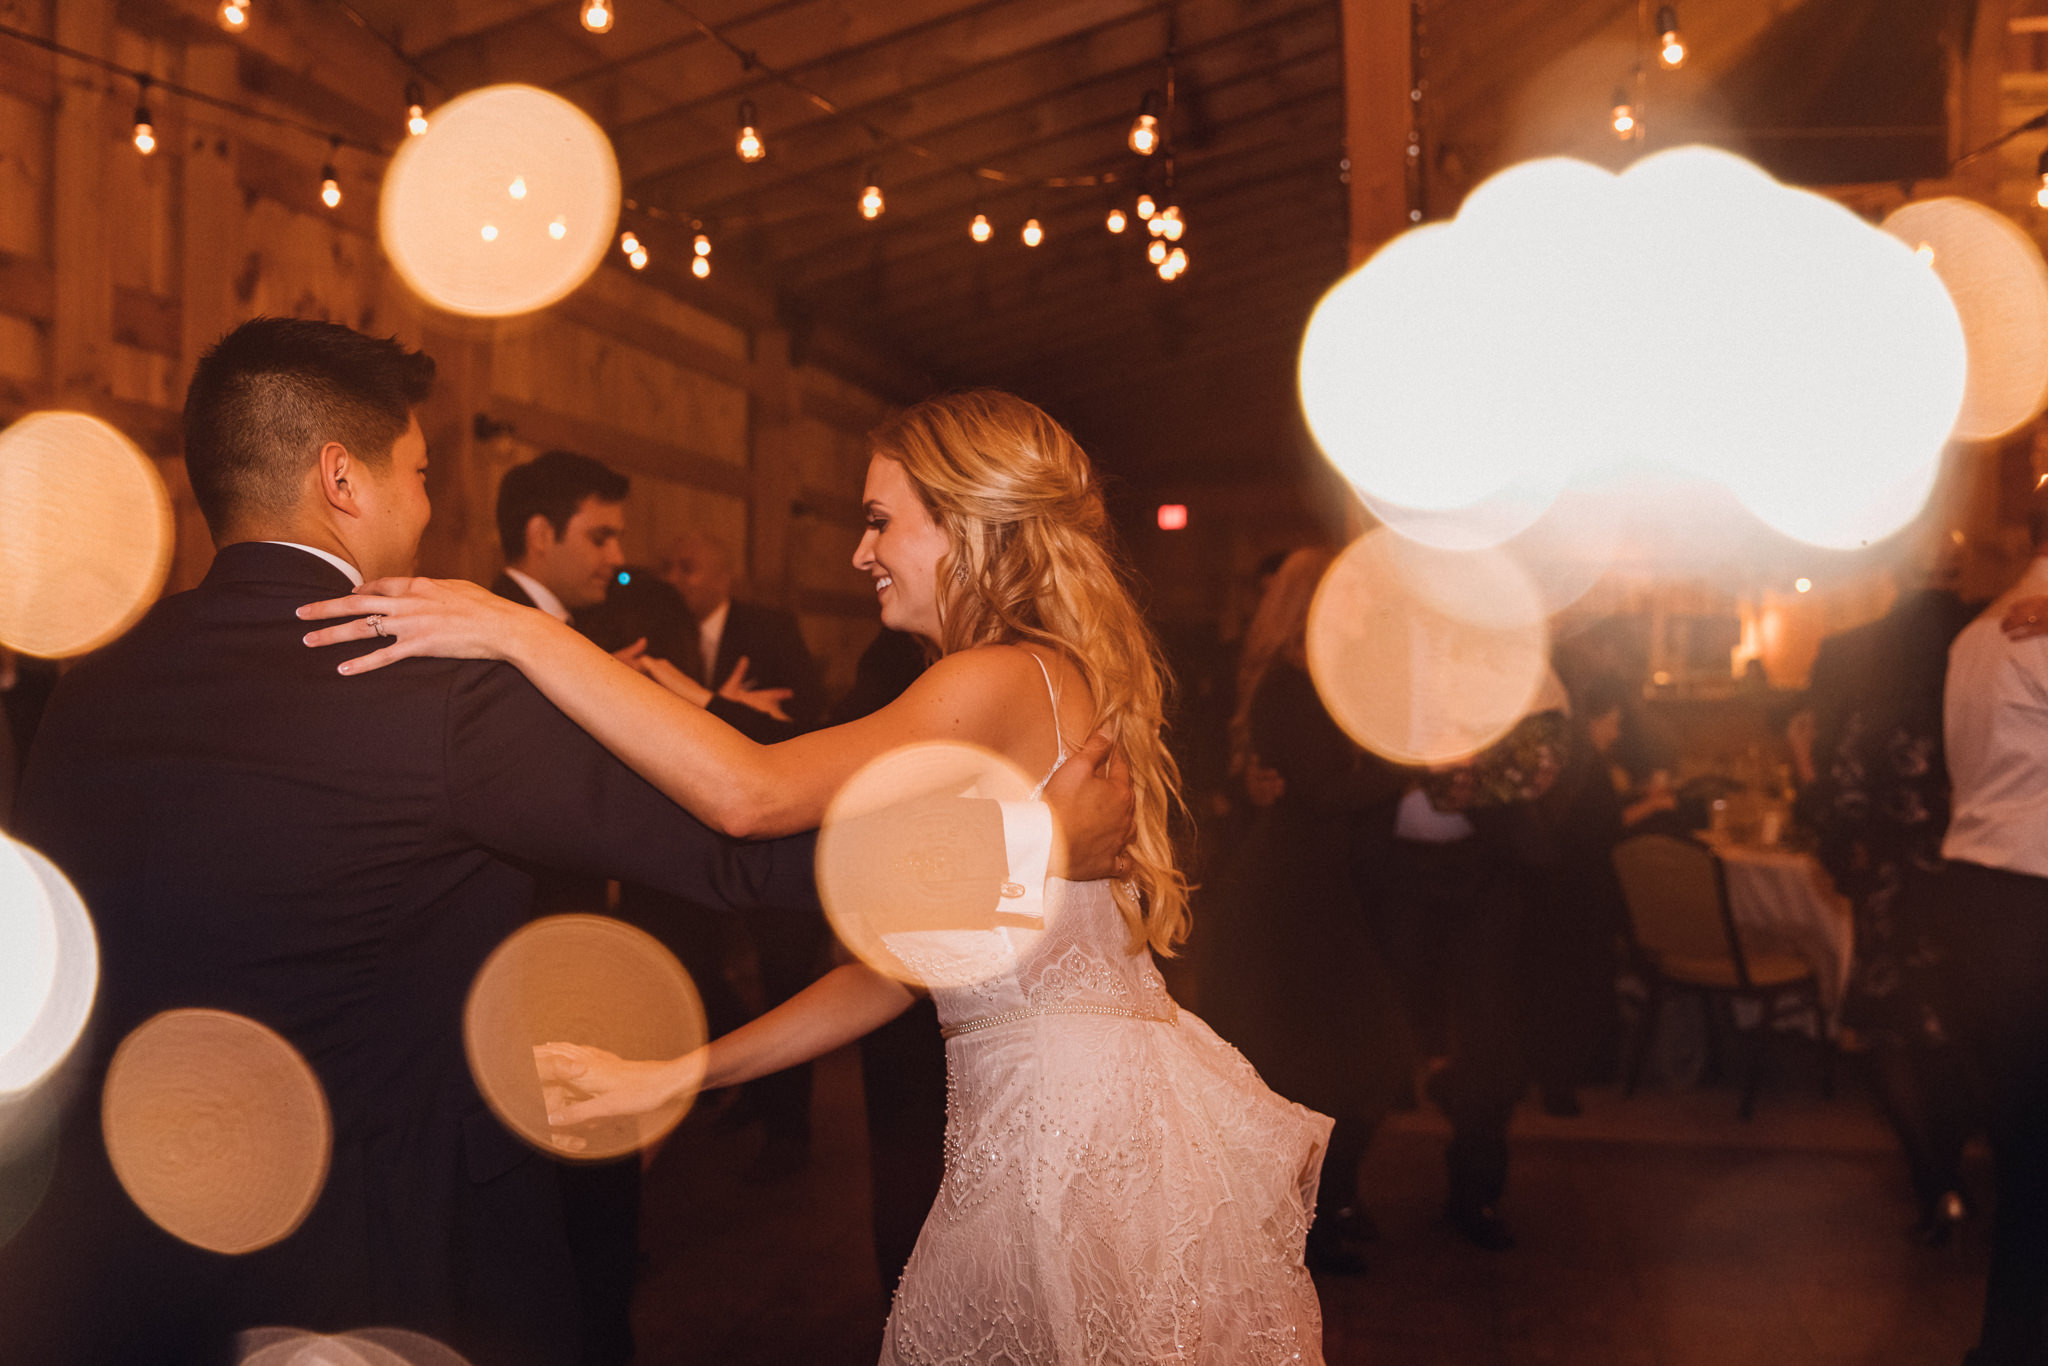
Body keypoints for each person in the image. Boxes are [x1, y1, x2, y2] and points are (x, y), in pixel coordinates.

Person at [0, 321, 1131, 1366]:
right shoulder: (428, 685)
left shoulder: (93, 686)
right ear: (343, 479)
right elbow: (737, 846)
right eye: (420, 474)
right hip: (386, 1255)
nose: (427, 507)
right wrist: (1020, 841)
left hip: (116, 1256)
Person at [301, 389, 1334, 1363]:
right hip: (1057, 1115)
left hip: (1069, 1140)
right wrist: (681, 1072)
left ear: (968, 524)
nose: (859, 551)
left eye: (881, 521)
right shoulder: (1035, 676)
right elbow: (895, 967)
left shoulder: (993, 677)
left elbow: (749, 796)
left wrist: (513, 630)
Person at [1197, 547, 1411, 1277]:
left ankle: (1322, 1210)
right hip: (1288, 893)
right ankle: (1306, 1222)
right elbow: (1321, 793)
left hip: (1312, 887)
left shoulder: (1320, 682)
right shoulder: (1290, 687)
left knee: (1341, 1062)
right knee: (1322, 1063)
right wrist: (1407, 765)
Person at [1798, 563, 1979, 1245]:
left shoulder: (1876, 718)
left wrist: (1845, 852)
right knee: (1959, 1036)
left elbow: (1840, 814)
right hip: (1968, 891)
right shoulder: (1977, 709)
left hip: (1895, 894)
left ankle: (1936, 1181)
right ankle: (1949, 1174)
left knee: (1883, 1035)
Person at [656, 527, 831, 1181]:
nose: (677, 577)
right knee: (694, 961)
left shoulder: (771, 629)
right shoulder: (662, 632)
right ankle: (750, 1090)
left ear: (724, 576)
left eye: (689, 565)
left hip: (782, 843)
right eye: (669, 566)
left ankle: (789, 1135)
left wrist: (722, 707)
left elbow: (807, 724)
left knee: (789, 980)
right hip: (701, 848)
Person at [1937, 504, 2048, 1366]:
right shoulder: (2034, 632)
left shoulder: (1979, 633)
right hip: (2035, 904)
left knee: (2024, 1158)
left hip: (1980, 905)